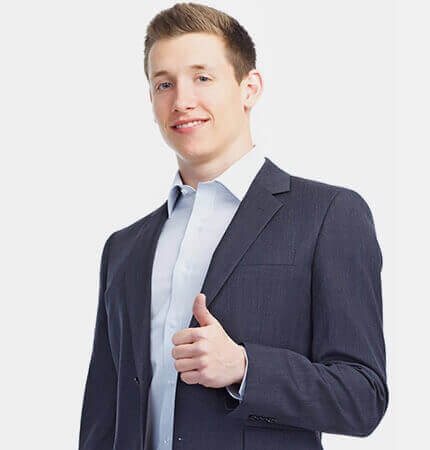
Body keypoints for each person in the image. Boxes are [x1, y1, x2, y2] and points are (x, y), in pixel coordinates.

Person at [78, 3, 389, 450]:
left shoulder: (328, 215)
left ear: (249, 88)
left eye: (202, 78)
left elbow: (363, 397)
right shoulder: (123, 248)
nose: (181, 100)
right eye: (164, 84)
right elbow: (102, 416)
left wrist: (245, 368)